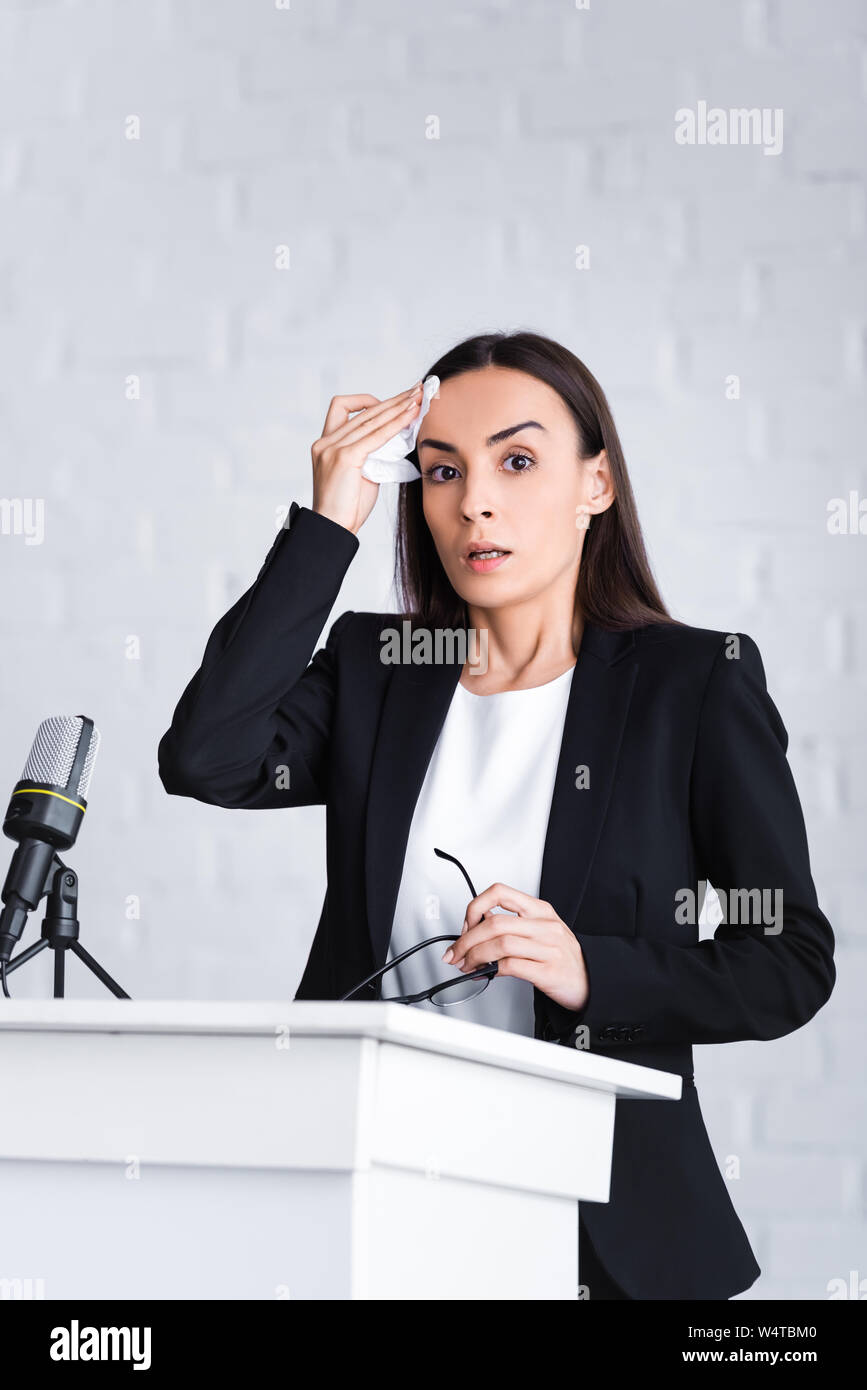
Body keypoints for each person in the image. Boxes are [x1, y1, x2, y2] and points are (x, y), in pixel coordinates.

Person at [158, 330, 836, 1300]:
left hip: (593, 1227)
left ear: (595, 483)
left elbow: (789, 958)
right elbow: (207, 757)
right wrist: (327, 524)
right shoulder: (380, 667)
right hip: (368, 1196)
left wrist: (590, 966)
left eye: (517, 461)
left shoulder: (692, 684)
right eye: (439, 470)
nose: (474, 499)